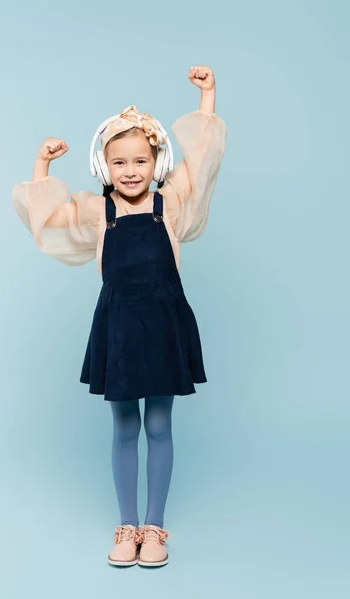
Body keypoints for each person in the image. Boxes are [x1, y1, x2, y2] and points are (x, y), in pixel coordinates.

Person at [11, 65, 227, 567]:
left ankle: (155, 527)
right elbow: (47, 217)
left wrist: (207, 95)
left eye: (140, 160)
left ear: (156, 161)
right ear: (103, 165)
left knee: (159, 424)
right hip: (121, 325)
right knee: (124, 425)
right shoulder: (96, 210)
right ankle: (126, 525)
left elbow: (204, 160)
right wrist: (41, 165)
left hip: (164, 319)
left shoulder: (168, 203)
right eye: (119, 162)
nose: (130, 170)